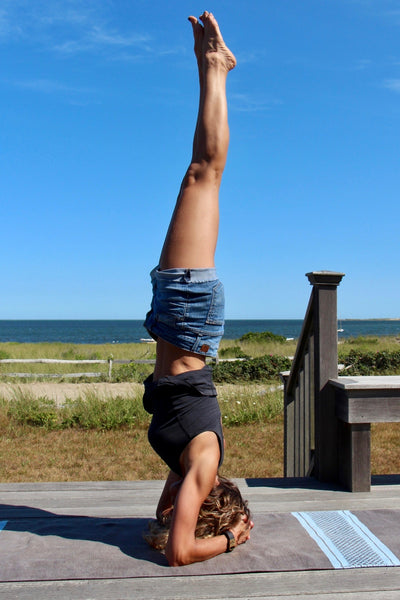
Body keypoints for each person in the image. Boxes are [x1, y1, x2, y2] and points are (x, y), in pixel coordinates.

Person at [142, 11, 253, 566]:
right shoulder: (203, 461)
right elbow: (179, 553)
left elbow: (172, 531)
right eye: (180, 507)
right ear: (204, 500)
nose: (168, 511)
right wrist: (232, 537)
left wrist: (181, 511)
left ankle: (211, 70)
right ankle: (216, 69)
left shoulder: (187, 469)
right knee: (202, 172)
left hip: (170, 320)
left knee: (198, 173)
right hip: (189, 317)